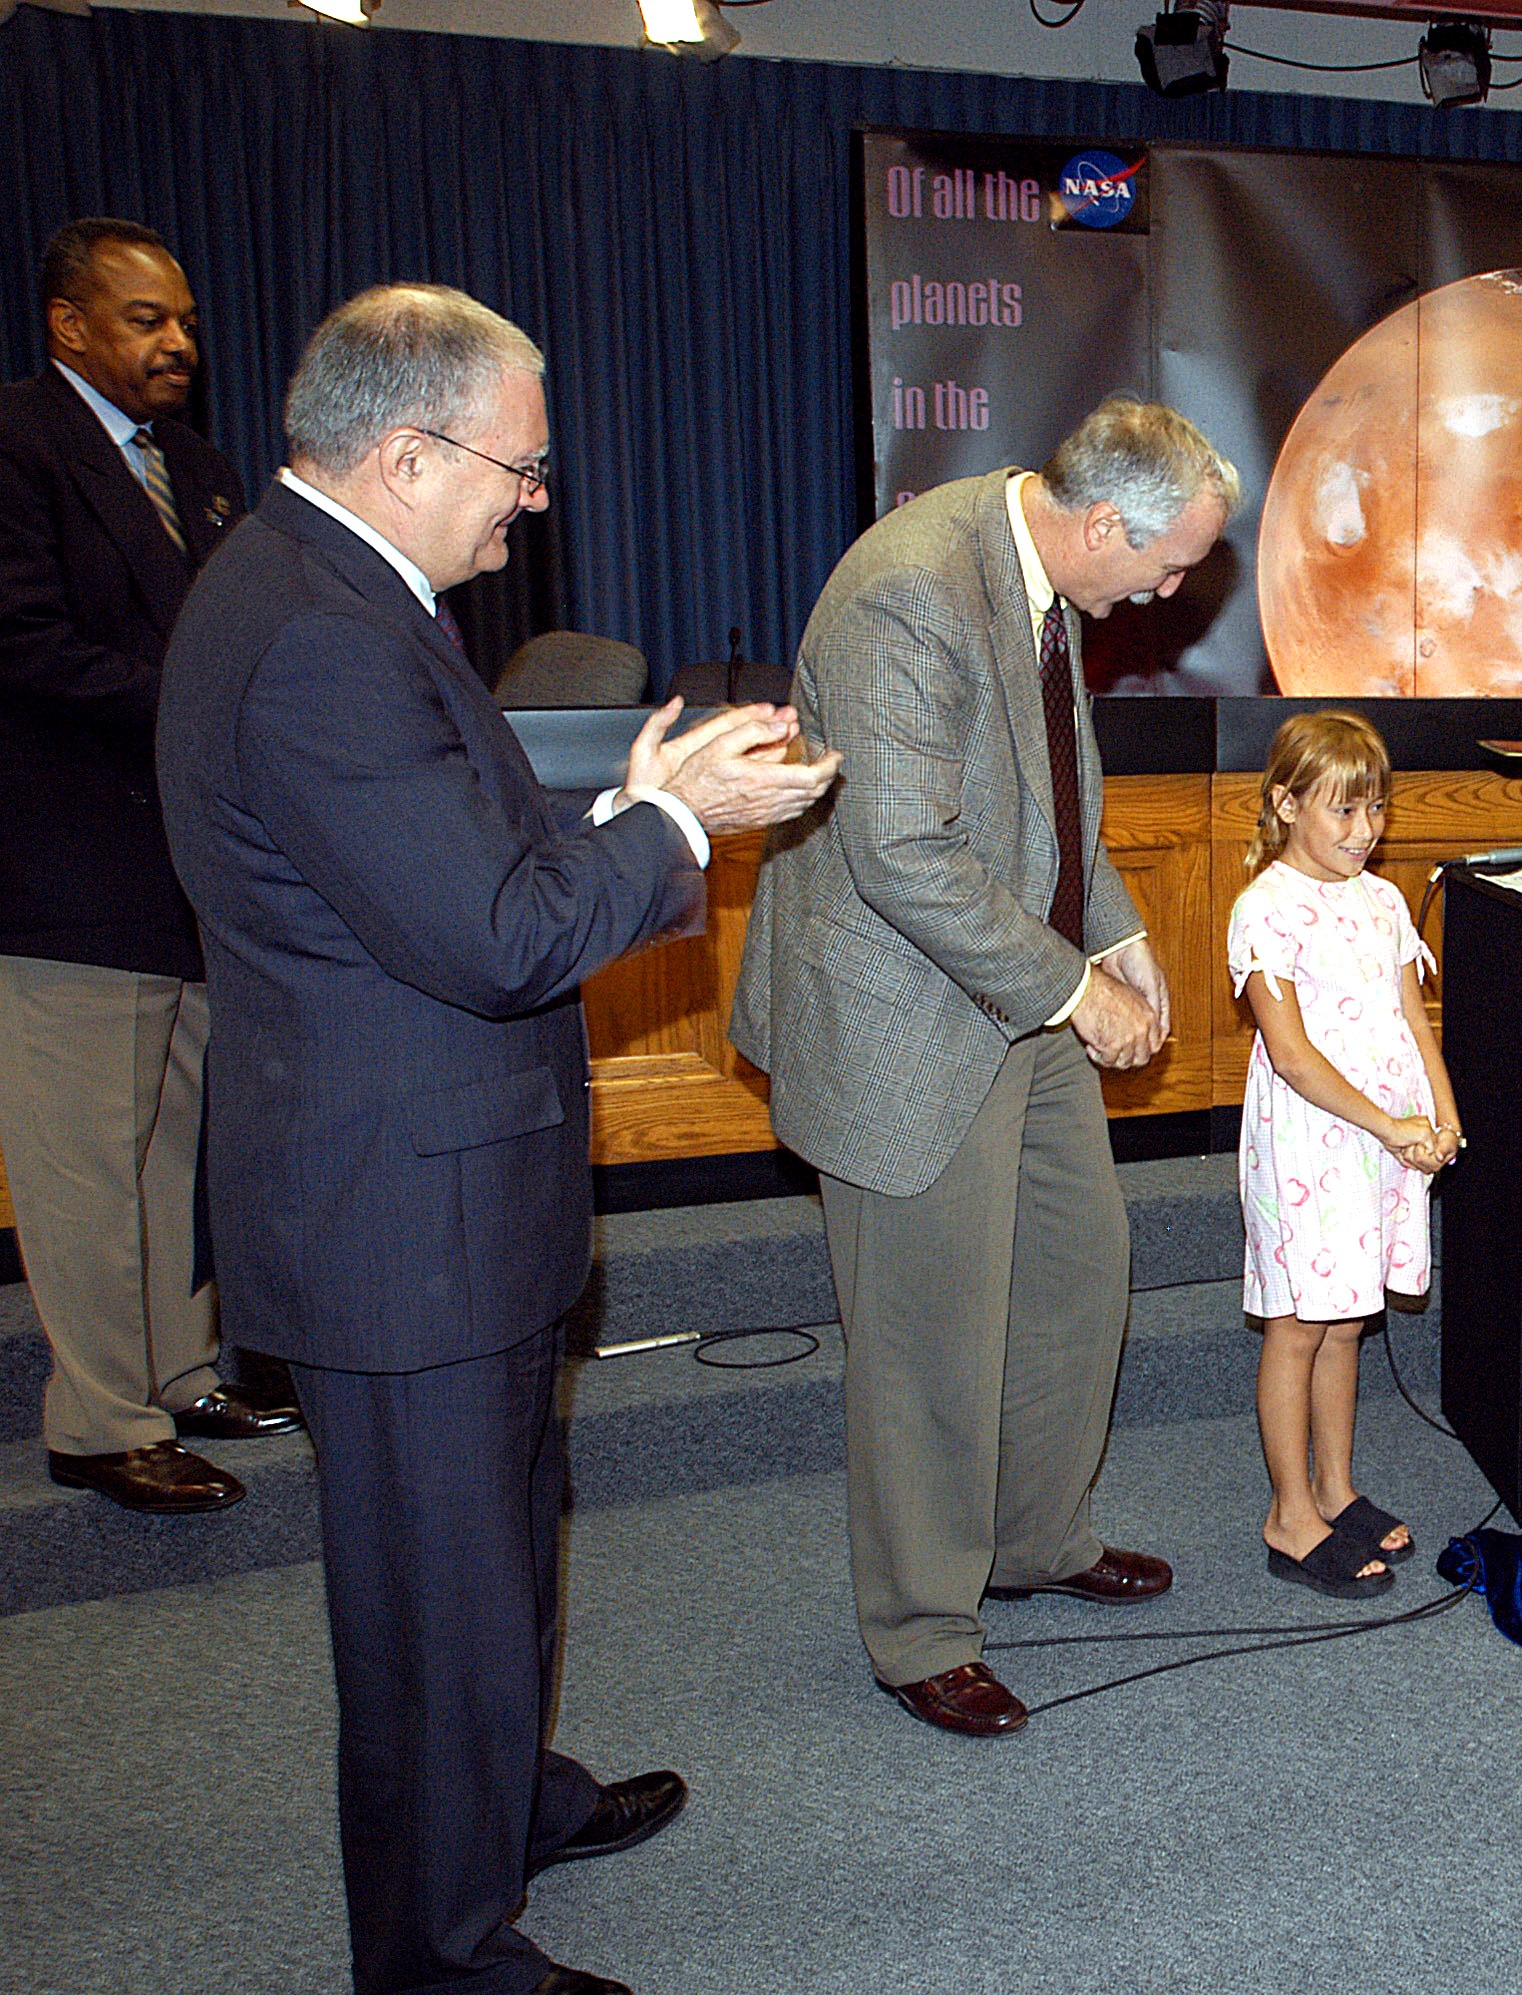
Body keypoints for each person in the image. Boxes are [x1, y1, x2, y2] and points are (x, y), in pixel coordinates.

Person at [155, 283, 838, 1995]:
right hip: (403, 1215)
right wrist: (685, 819)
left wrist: (614, 807)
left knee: (501, 1543)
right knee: (430, 1606)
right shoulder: (316, 629)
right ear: (405, 454)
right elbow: (495, 940)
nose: (533, 502)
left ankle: (504, 1803)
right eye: (518, 471)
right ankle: (443, 1955)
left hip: (437, 1188)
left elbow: (440, 860)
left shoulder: (328, 588)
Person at [732, 395, 1234, 1737]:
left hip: (1016, 985)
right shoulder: (910, 590)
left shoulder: (1045, 580)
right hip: (907, 1013)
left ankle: (1033, 1537)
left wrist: (1115, 932)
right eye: (1171, 562)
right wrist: (1075, 986)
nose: (1176, 590)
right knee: (927, 1338)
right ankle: (919, 1627)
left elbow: (1050, 788)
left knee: (1079, 1268)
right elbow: (903, 850)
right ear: (1103, 520)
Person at [0, 217, 293, 1516]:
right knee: (80, 1159)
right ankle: (98, 1417)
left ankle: (179, 1372)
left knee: (181, 1145)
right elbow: (25, 646)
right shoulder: (16, 444)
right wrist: (207, 703)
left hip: (188, 872)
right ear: (68, 323)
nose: (176, 341)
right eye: (141, 319)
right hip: (65, 875)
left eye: (181, 319)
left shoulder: (200, 464)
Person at [1228, 711, 1457, 1597]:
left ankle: (1336, 1486)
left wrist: (1440, 1111)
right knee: (1298, 1323)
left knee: (1348, 1315)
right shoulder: (1266, 908)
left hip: (1380, 1143)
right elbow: (1291, 1054)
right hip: (1310, 1143)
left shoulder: (1384, 901)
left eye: (1377, 811)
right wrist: (1388, 1122)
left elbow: (1412, 1018)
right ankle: (1290, 1512)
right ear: (1285, 803)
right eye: (1343, 811)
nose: (1365, 832)